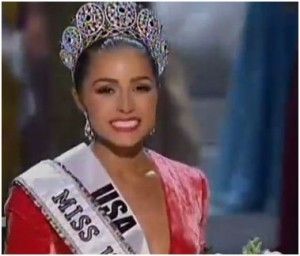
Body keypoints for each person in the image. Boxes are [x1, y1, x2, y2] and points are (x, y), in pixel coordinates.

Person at [5, 2, 210, 254]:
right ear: (80, 98)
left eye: (141, 88)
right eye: (106, 90)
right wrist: (35, 11)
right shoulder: (38, 199)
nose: (125, 105)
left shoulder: (191, 187)